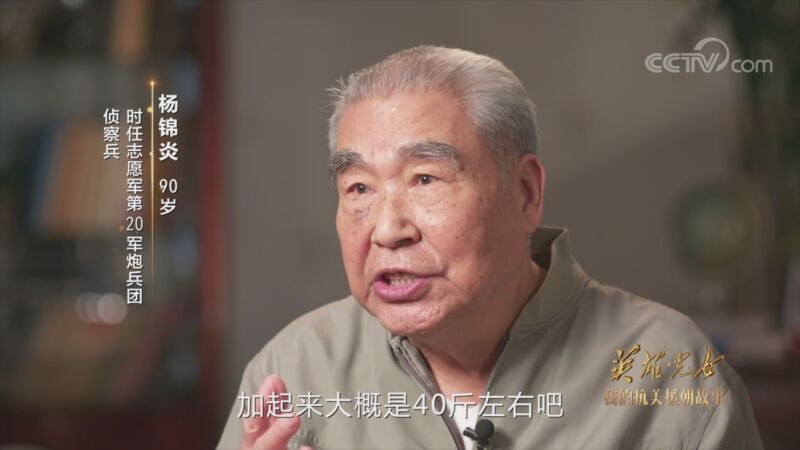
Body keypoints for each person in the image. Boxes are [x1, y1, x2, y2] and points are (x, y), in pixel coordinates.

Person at [217, 46, 763, 450]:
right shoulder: (294, 370)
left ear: (525, 192)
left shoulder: (670, 372)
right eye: (358, 188)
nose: (387, 229)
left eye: (425, 179)